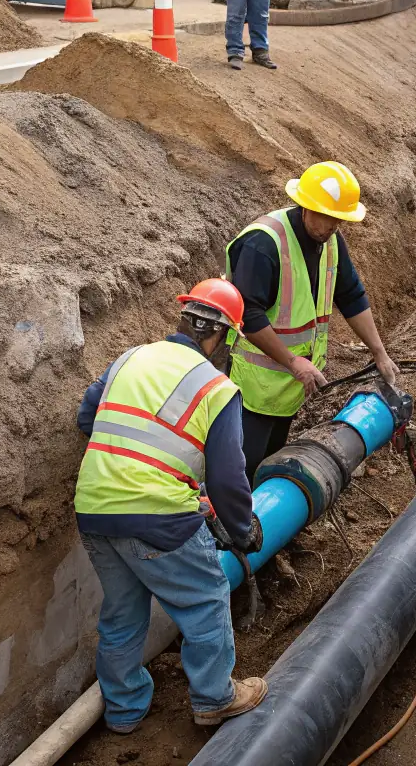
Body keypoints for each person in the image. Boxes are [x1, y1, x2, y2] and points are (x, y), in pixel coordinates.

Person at [73, 279, 268, 731]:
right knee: (206, 599)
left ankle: (123, 712)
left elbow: (88, 417)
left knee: (122, 614)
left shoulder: (131, 357)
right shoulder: (217, 388)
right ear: (222, 336)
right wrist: (242, 530)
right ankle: (214, 697)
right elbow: (227, 478)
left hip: (95, 508)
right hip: (157, 518)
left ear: (184, 319)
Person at [226, 161, 399, 483]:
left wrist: (379, 352)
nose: (334, 226)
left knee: (268, 460)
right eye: (328, 217)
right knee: (242, 469)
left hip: (288, 384)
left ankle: (261, 526)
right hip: (252, 386)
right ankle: (229, 528)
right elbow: (247, 314)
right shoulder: (264, 243)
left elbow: (351, 295)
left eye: (339, 219)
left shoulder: (330, 240)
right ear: (305, 207)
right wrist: (293, 361)